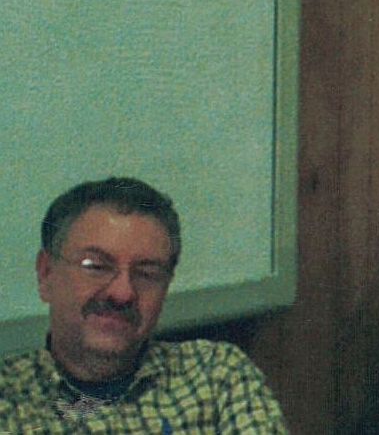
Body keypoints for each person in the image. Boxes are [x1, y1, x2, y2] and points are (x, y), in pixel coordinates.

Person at [0, 177, 288, 432]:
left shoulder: (216, 376)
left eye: (147, 274)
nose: (123, 293)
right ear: (46, 273)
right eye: (97, 266)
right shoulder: (10, 402)